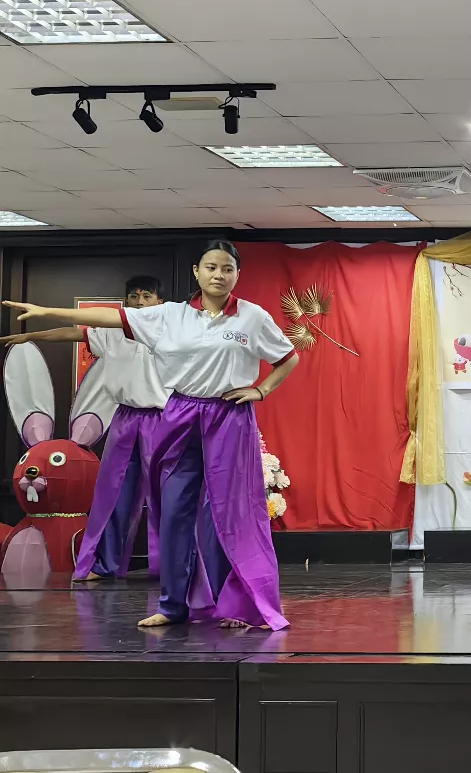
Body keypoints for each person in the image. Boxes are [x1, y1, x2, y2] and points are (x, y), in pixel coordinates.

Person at [4, 241, 298, 630]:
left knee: (228, 513)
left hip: (228, 417)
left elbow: (287, 358)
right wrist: (46, 312)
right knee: (173, 510)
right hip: (181, 414)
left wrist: (261, 390)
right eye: (211, 267)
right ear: (196, 271)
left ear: (237, 274)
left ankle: (235, 604)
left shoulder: (252, 317)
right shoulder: (169, 315)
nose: (219, 275)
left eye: (227, 268)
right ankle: (173, 605)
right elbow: (107, 318)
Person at [1, 275, 170, 582]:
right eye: (134, 297)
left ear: (160, 302)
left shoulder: (172, 330)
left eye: (147, 296)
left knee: (169, 494)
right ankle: (106, 565)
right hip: (125, 418)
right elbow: (72, 332)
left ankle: (175, 568)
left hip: (163, 418)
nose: (140, 302)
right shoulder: (112, 332)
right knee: (116, 493)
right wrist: (32, 336)